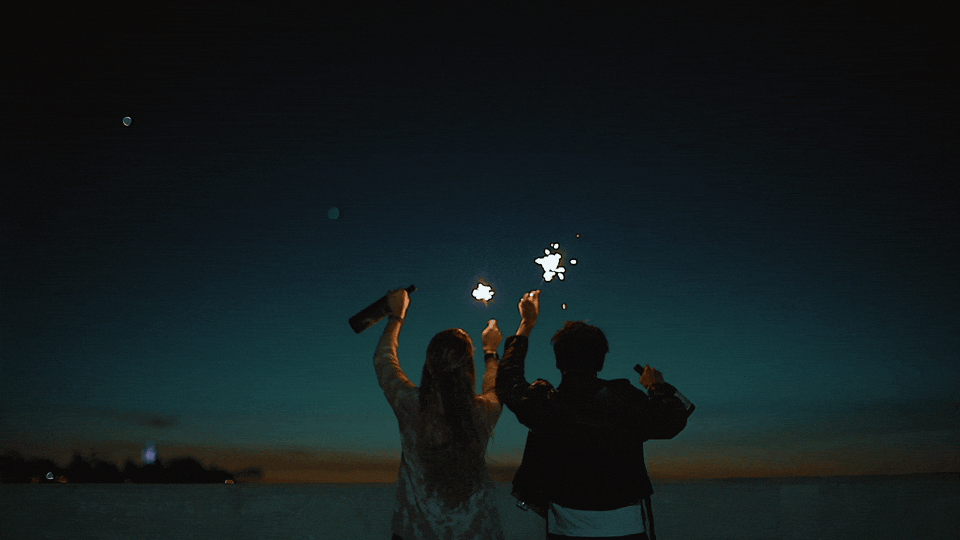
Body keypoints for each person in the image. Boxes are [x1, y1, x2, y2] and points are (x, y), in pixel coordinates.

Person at [495, 290, 694, 540]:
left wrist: (527, 324)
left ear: (558, 361)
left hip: (564, 528)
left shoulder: (544, 404)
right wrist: (655, 386)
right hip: (627, 528)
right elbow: (674, 418)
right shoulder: (626, 399)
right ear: (600, 362)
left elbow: (507, 381)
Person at [374, 287, 505, 540]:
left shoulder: (410, 405)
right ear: (468, 367)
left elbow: (384, 360)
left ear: (430, 365)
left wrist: (397, 316)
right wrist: (491, 351)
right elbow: (495, 388)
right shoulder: (482, 412)